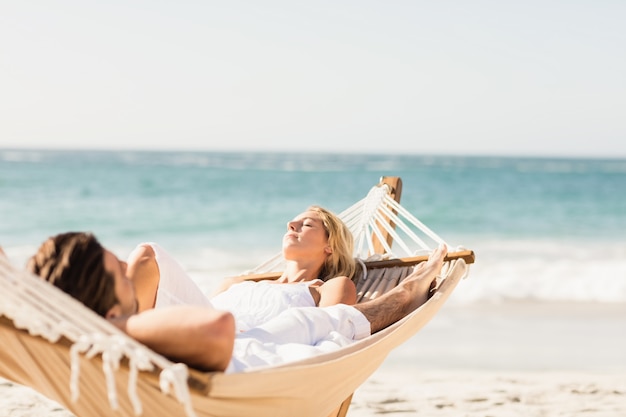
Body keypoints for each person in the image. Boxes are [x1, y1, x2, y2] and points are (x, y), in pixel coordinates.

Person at [26, 231, 447, 373]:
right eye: (117, 271)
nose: (125, 265)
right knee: (335, 323)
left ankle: (404, 294)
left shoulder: (329, 282)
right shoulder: (122, 332)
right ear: (112, 309)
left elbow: (342, 314)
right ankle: (407, 293)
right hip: (250, 344)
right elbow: (215, 327)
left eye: (307, 225)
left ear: (330, 245)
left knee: (337, 319)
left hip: (271, 331)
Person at [125, 206, 358, 331]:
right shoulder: (234, 283)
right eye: (292, 222)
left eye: (306, 224)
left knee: (149, 253)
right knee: (133, 262)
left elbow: (329, 335)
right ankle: (117, 337)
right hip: (195, 327)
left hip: (236, 346)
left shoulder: (327, 288)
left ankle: (119, 336)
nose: (291, 225)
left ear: (330, 246)